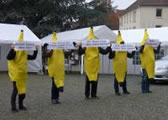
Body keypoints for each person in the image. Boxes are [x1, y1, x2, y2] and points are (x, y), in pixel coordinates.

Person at [7, 30, 38, 112]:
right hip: (15, 75)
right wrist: (12, 49)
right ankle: (13, 107)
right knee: (16, 90)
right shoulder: (14, 52)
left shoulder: (24, 54)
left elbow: (33, 57)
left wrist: (35, 49)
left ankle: (21, 105)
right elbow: (9, 57)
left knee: (22, 90)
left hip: (22, 75)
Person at [77, 27, 109, 99]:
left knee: (94, 81)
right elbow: (80, 53)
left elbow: (104, 52)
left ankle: (93, 94)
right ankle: (87, 95)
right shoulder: (86, 46)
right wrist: (79, 47)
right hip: (90, 67)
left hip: (95, 66)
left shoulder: (97, 46)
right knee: (89, 81)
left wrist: (109, 47)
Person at [46, 32, 71, 104]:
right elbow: (48, 55)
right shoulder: (50, 48)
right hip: (53, 69)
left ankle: (57, 98)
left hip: (60, 69)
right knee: (54, 83)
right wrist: (50, 50)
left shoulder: (61, 48)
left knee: (58, 82)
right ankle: (53, 98)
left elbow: (66, 53)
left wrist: (72, 48)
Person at [109, 31, 135, 96]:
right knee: (116, 80)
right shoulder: (115, 50)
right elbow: (110, 57)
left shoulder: (125, 50)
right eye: (121, 43)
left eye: (123, 43)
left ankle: (124, 90)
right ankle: (116, 91)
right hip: (117, 68)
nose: (122, 44)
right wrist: (111, 50)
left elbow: (130, 56)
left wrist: (134, 50)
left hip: (123, 68)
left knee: (124, 79)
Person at [139, 29, 160, 93]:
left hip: (150, 65)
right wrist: (143, 45)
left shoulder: (151, 46)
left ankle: (147, 89)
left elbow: (157, 52)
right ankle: (143, 89)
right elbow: (140, 51)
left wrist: (159, 46)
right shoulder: (142, 46)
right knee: (144, 78)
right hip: (145, 65)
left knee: (148, 77)